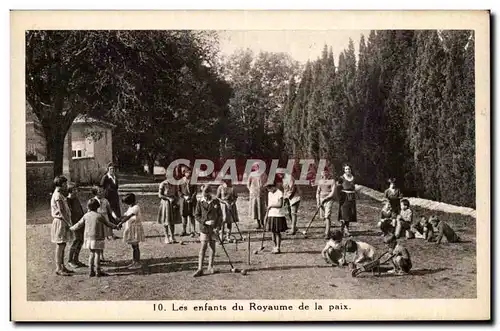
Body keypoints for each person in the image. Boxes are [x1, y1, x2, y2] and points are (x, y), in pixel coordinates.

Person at [70, 198, 119, 277]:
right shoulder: (100, 216)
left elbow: (79, 224)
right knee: (97, 254)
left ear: (88, 207)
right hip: (98, 238)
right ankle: (98, 271)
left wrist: (71, 228)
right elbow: (108, 223)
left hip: (88, 238)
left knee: (91, 253)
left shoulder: (86, 215)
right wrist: (116, 226)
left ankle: (91, 271)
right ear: (98, 207)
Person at [193, 185, 222, 277]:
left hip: (213, 229)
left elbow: (220, 215)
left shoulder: (215, 201)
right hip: (204, 228)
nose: (205, 196)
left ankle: (210, 266)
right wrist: (205, 222)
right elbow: (197, 215)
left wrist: (218, 227)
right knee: (203, 247)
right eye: (203, 194)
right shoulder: (200, 202)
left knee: (212, 247)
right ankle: (200, 268)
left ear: (210, 193)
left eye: (206, 194)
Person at [50, 175, 75, 276]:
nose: (66, 186)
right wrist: (69, 223)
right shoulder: (57, 195)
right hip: (60, 222)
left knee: (63, 244)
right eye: (64, 184)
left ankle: (62, 266)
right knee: (60, 245)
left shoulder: (60, 194)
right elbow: (61, 211)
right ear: (60, 184)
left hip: (63, 221)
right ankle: (58, 267)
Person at [119, 193, 145, 269]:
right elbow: (125, 215)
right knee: (134, 246)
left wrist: (121, 222)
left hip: (135, 229)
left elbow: (128, 216)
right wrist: (118, 218)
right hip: (131, 228)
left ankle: (137, 262)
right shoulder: (130, 207)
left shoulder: (136, 207)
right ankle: (134, 261)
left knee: (135, 246)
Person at [92, 186, 118, 262]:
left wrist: (115, 217)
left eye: (102, 191)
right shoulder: (93, 200)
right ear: (95, 193)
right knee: (97, 238)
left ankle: (101, 256)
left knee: (102, 238)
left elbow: (110, 210)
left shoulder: (105, 201)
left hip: (105, 218)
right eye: (99, 191)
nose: (101, 193)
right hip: (97, 219)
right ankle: (96, 256)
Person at [157, 174, 181, 244]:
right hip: (165, 204)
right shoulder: (163, 184)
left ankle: (172, 236)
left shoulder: (174, 184)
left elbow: (177, 194)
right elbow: (160, 195)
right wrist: (168, 198)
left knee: (172, 221)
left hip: (173, 203)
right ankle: (166, 237)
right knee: (166, 221)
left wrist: (176, 200)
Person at [66, 182, 86, 268]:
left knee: (81, 241)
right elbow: (68, 213)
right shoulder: (68, 200)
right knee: (75, 241)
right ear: (70, 191)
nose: (76, 191)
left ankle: (76, 259)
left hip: (80, 222)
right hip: (74, 224)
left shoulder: (76, 199)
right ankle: (70, 260)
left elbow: (80, 210)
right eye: (74, 189)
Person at [265, 181, 288, 254]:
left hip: (278, 215)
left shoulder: (279, 193)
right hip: (271, 214)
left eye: (269, 188)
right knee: (272, 232)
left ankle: (278, 247)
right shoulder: (269, 193)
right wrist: (266, 215)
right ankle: (274, 246)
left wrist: (271, 206)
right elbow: (269, 205)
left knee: (277, 232)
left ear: (273, 187)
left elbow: (280, 204)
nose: (268, 190)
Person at [100, 162, 121, 236]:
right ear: (108, 169)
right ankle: (110, 233)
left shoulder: (115, 177)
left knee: (115, 213)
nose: (112, 170)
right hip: (108, 197)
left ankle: (113, 231)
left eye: (113, 169)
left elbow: (116, 187)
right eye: (111, 169)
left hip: (115, 197)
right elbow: (102, 187)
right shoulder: (106, 177)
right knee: (109, 213)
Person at [338, 163, 358, 236]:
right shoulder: (341, 178)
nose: (348, 170)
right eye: (346, 169)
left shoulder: (353, 178)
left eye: (349, 169)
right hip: (344, 197)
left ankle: (346, 229)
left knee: (349, 213)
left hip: (352, 197)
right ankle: (343, 229)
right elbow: (338, 187)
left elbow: (355, 186)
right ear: (344, 170)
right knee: (344, 213)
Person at [316, 170, 336, 239]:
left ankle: (327, 233)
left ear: (328, 173)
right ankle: (327, 231)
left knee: (327, 216)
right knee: (323, 217)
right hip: (321, 200)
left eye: (325, 172)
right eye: (322, 173)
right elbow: (318, 192)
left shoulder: (332, 181)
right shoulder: (320, 181)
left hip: (329, 200)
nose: (324, 174)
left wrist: (326, 198)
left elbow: (332, 192)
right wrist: (318, 201)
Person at [179, 167, 198, 237]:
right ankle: (184, 230)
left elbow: (195, 191)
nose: (189, 174)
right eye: (187, 173)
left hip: (192, 200)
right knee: (184, 216)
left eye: (190, 173)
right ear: (184, 173)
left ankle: (193, 230)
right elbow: (178, 191)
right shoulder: (181, 181)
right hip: (184, 200)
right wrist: (184, 196)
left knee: (192, 215)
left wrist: (191, 198)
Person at [247, 162, 267, 229]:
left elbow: (266, 183)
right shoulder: (252, 174)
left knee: (261, 208)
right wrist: (251, 190)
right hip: (254, 194)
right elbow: (248, 184)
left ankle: (262, 223)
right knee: (255, 208)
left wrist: (263, 189)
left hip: (261, 194)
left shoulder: (263, 174)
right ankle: (258, 223)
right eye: (255, 166)